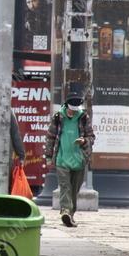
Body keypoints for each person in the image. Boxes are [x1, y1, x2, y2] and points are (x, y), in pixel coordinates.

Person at [44, 89, 95, 228]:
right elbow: (50, 137)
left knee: (74, 189)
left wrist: (84, 141)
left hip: (79, 160)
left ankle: (70, 215)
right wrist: (48, 157)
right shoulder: (58, 117)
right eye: (71, 109)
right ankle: (65, 211)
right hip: (62, 159)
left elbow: (92, 137)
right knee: (65, 186)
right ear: (66, 106)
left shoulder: (84, 117)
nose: (73, 112)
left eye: (75, 110)